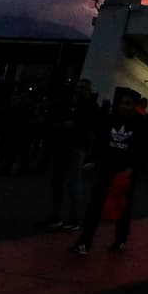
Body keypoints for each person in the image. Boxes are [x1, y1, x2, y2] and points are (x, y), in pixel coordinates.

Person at [69, 89, 146, 256]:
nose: (125, 106)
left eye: (129, 103)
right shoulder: (111, 120)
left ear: (135, 106)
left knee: (122, 206)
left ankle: (119, 239)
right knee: (96, 205)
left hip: (125, 171)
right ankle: (87, 242)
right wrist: (94, 159)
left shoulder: (139, 124)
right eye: (123, 103)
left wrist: (132, 167)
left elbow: (142, 149)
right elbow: (101, 141)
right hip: (108, 168)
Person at [44, 79, 98, 231]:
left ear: (88, 90)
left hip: (74, 147)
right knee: (62, 182)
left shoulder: (88, 106)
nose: (80, 90)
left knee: (71, 183)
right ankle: (62, 216)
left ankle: (71, 217)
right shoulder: (86, 106)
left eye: (83, 88)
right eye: (79, 87)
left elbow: (88, 128)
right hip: (67, 147)